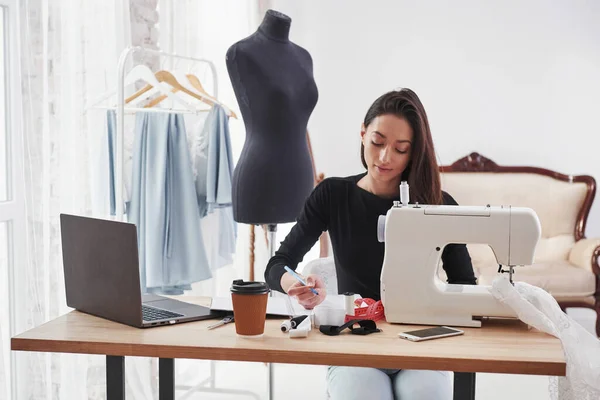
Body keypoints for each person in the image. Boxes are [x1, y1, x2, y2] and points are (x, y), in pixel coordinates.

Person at [264, 88, 477, 400]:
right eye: (377, 142)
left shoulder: (438, 205)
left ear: (414, 152)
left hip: (419, 343)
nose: (385, 157)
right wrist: (298, 285)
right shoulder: (333, 196)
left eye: (400, 149)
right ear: (363, 134)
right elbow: (277, 265)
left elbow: (465, 286)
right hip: (355, 342)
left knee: (426, 394)